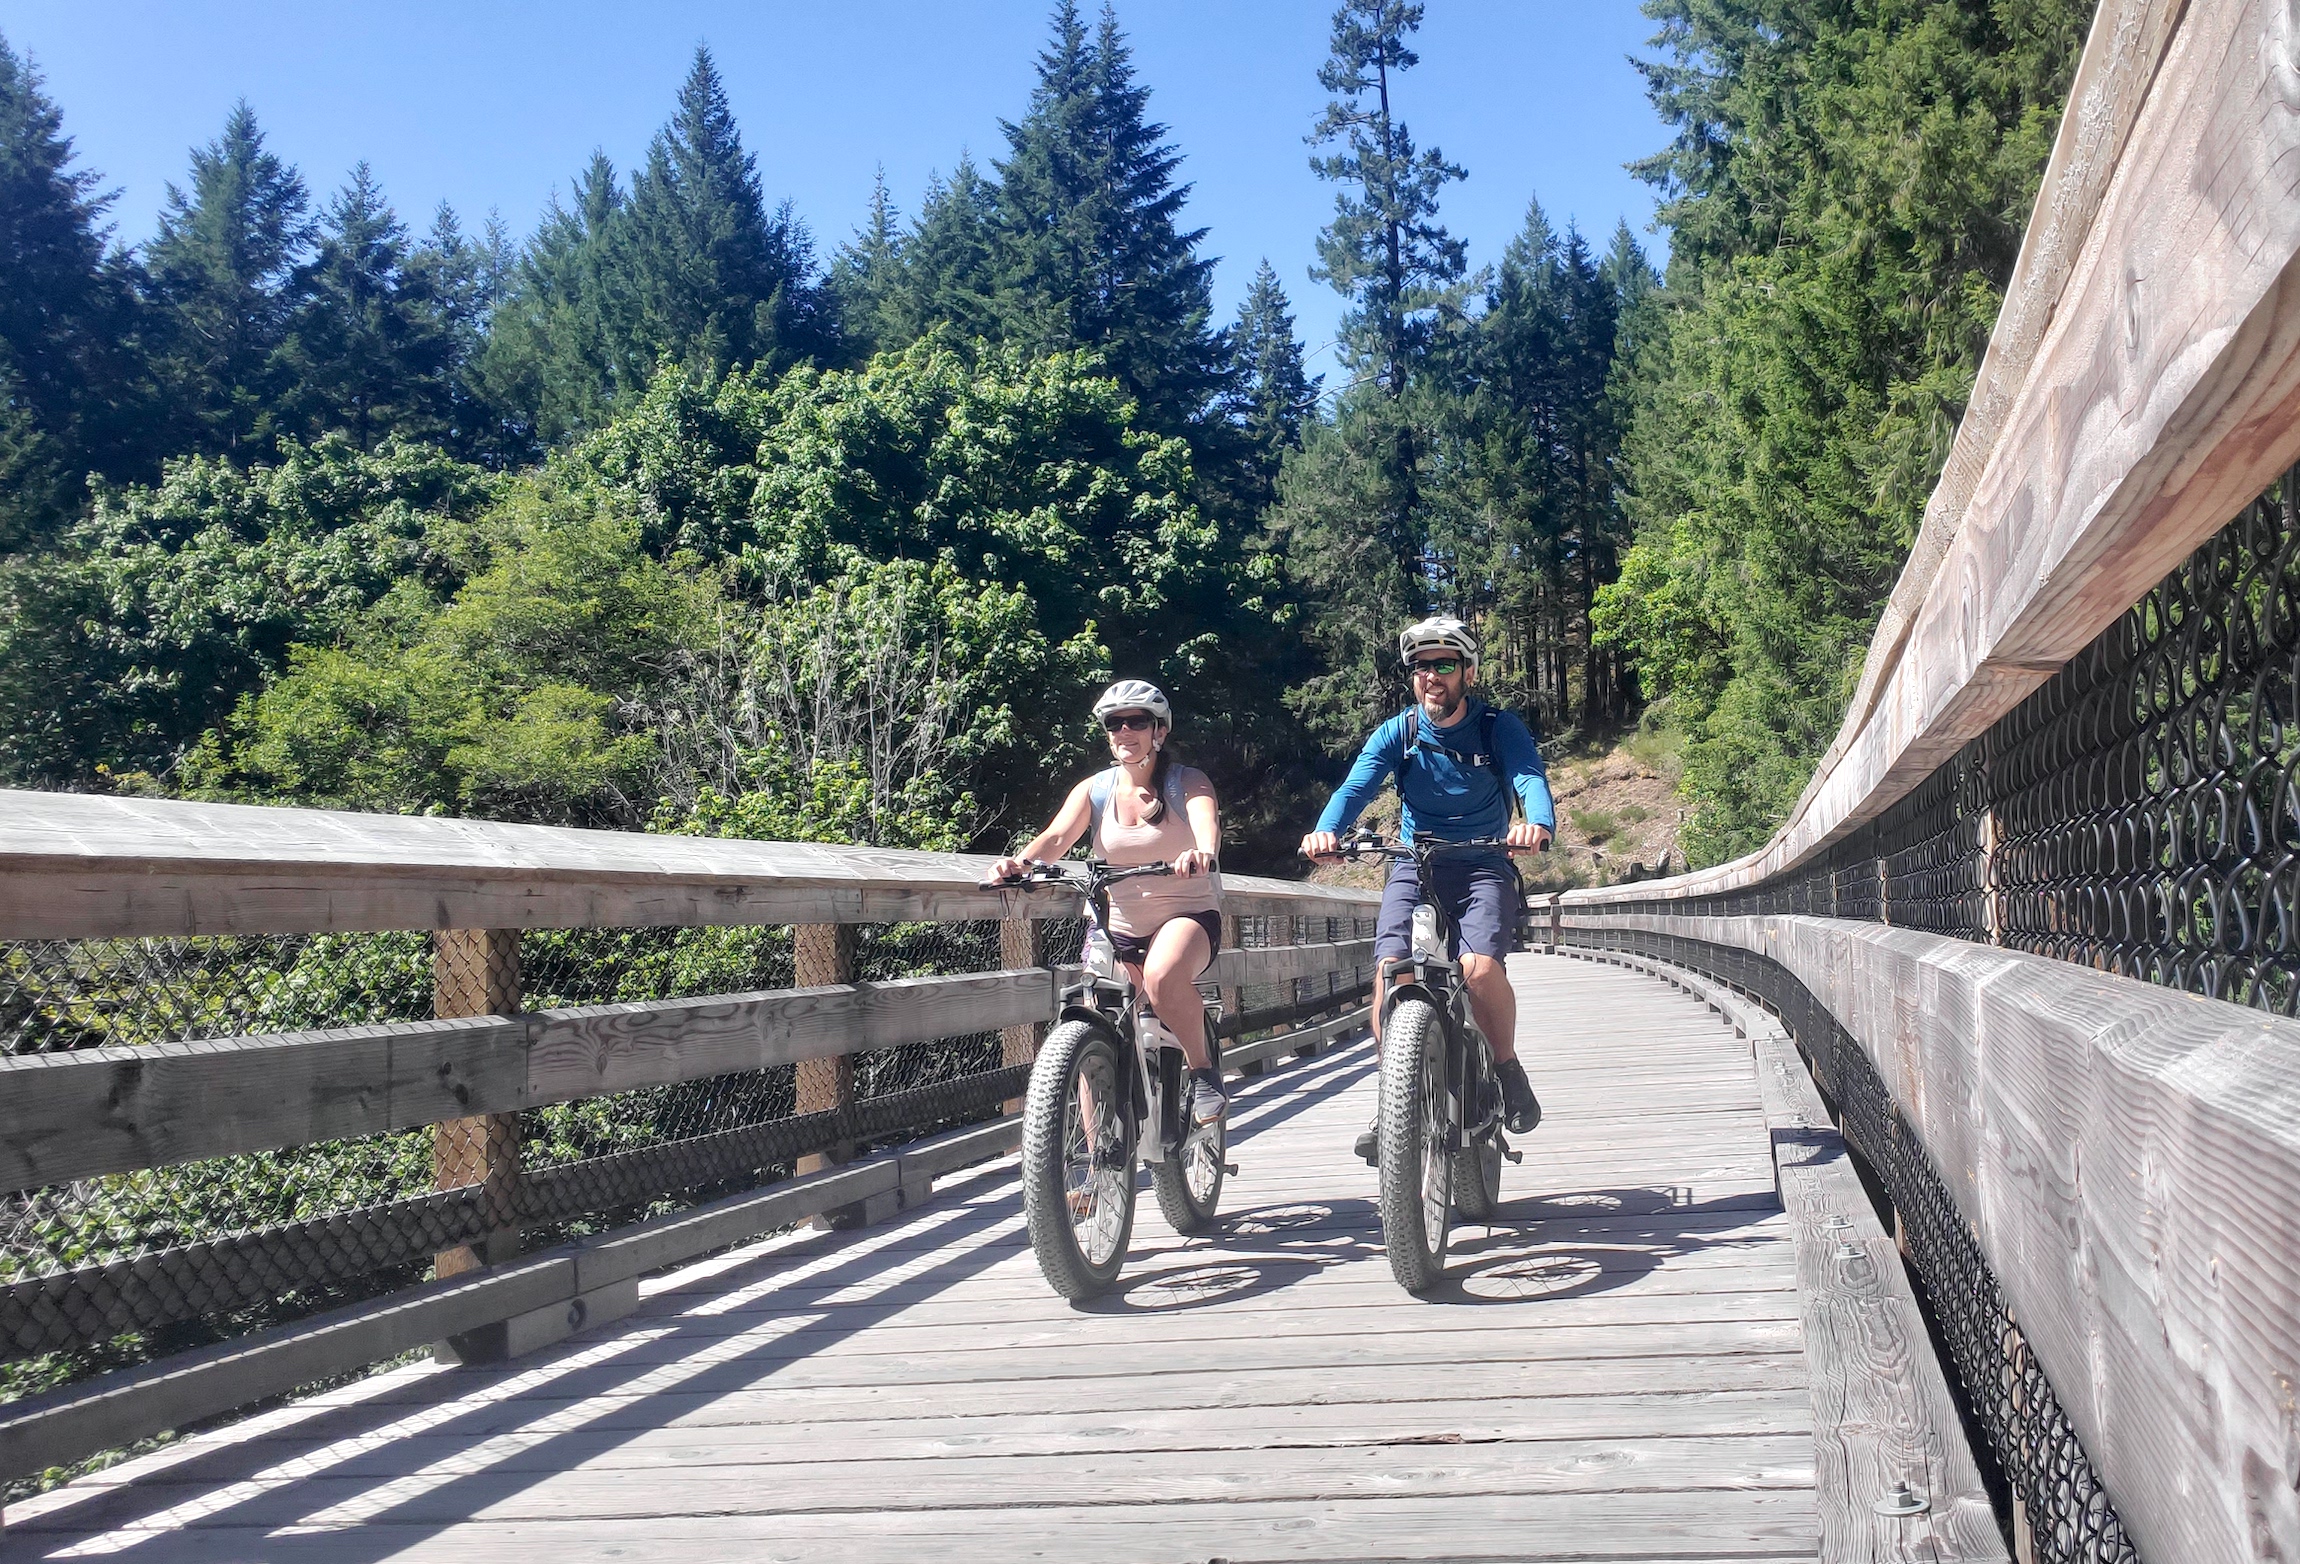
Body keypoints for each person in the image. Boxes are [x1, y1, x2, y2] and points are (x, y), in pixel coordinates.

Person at [1299, 615, 1554, 1161]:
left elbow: (1529, 777)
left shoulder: (1495, 727)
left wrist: (1537, 823)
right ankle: (1396, 1097)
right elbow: (1356, 787)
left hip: (1485, 861)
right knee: (1390, 974)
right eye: (1420, 666)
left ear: (1467, 671)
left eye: (1443, 664)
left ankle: (1506, 1066)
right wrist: (1326, 831)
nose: (1431, 676)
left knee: (1479, 970)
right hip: (1415, 864)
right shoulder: (1400, 732)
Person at [993, 679, 1229, 1124]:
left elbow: (1206, 824)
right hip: (1114, 923)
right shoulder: (1095, 790)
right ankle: (1094, 1157)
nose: (1124, 731)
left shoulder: (1186, 783)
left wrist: (1203, 852)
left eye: (1136, 721)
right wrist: (1019, 865)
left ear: (1159, 730)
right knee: (1092, 1028)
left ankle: (1203, 1072)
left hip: (1186, 915)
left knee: (1161, 979)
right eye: (1114, 723)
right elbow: (1058, 837)